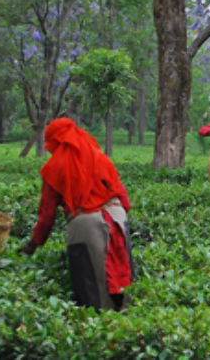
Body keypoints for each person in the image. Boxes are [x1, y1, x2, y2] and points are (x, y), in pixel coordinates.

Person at [21, 118, 134, 311]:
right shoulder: (99, 157)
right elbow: (124, 199)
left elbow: (47, 216)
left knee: (94, 291)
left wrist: (33, 244)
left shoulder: (54, 168)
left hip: (86, 224)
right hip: (117, 217)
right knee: (124, 279)